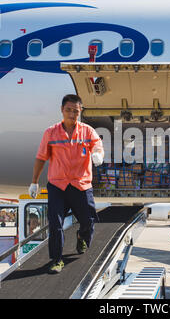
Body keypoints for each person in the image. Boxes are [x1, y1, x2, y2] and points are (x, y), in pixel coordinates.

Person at [29, 94, 104, 274]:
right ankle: (56, 259)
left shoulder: (87, 131)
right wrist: (34, 182)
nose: (72, 114)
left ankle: (81, 236)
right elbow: (41, 158)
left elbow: (98, 146)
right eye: (68, 110)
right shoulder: (51, 132)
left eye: (76, 111)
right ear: (62, 110)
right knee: (55, 224)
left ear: (80, 112)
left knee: (88, 221)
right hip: (58, 186)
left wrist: (98, 155)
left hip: (81, 185)